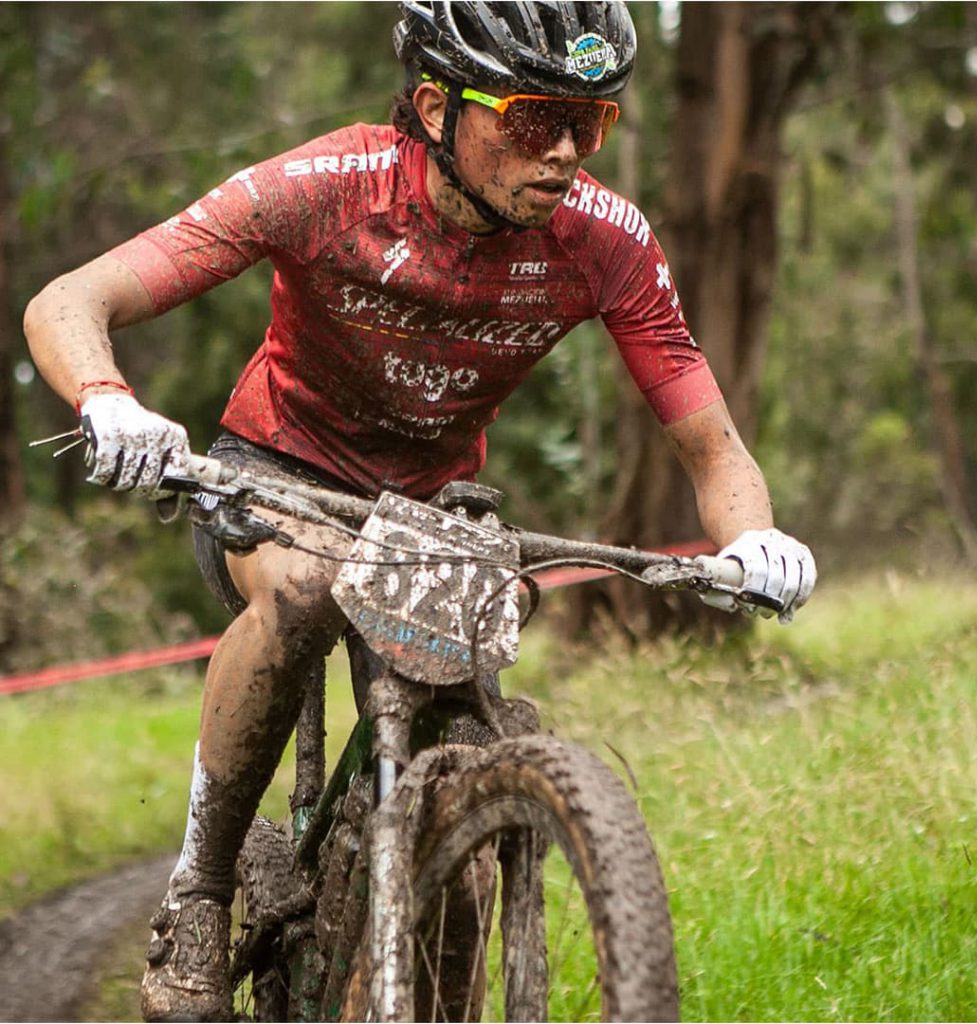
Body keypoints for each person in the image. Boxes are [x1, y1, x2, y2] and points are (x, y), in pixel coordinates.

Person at [23, 2, 816, 1019]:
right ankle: (199, 890)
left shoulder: (603, 239)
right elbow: (68, 300)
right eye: (534, 119)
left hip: (433, 506)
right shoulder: (330, 186)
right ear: (437, 106)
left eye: (594, 121)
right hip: (276, 471)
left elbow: (710, 444)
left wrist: (749, 535)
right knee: (302, 591)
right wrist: (109, 402)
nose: (568, 151)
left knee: (468, 741)